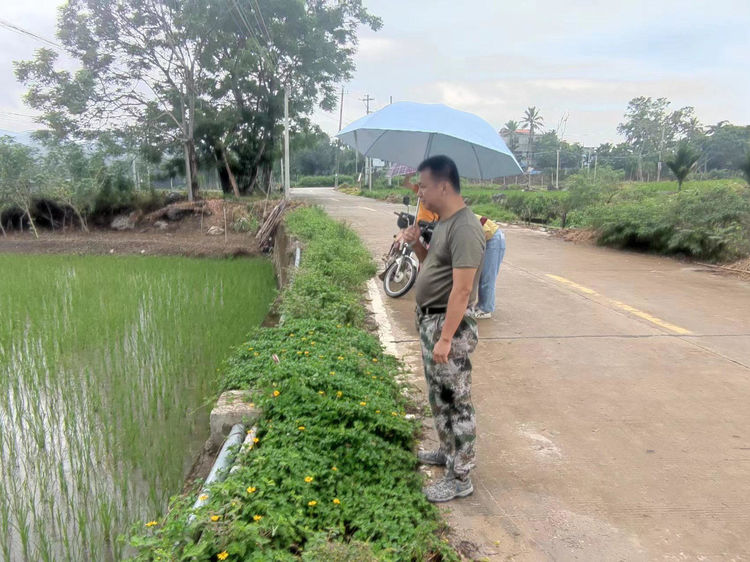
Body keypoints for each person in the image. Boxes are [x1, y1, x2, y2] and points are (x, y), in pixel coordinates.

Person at [403, 155, 485, 502]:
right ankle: (446, 451)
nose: (420, 193)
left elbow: (463, 290)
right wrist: (416, 245)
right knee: (439, 397)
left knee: (456, 401)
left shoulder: (465, 227)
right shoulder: (444, 222)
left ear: (443, 185)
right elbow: (432, 265)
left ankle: (461, 475)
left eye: (423, 186)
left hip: (447, 325)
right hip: (430, 319)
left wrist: (447, 337)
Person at [469, 215, 506, 319]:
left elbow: (486, 232)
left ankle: (485, 309)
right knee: (482, 275)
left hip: (493, 239)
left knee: (487, 276)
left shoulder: (462, 220)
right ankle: (482, 305)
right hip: (489, 238)